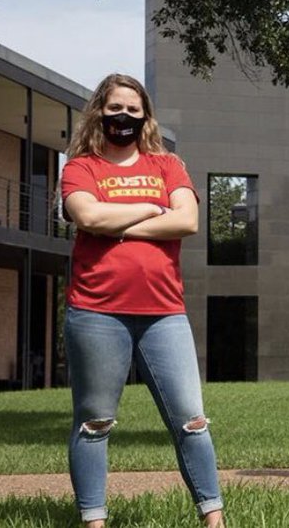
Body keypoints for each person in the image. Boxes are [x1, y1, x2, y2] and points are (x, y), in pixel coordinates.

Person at [61, 74, 223, 527]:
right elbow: (87, 214)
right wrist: (152, 210)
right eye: (116, 108)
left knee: (192, 420)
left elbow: (187, 221)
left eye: (134, 110)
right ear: (99, 112)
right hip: (96, 312)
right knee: (94, 423)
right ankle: (94, 521)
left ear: (146, 116)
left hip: (164, 314)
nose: (125, 117)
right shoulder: (81, 168)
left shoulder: (168, 164)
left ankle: (214, 519)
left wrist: (114, 224)